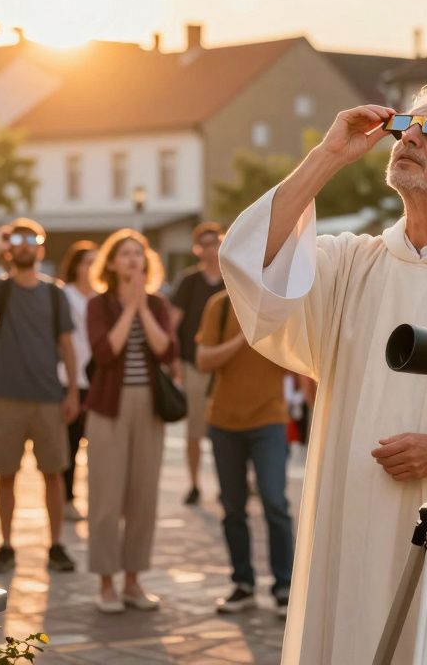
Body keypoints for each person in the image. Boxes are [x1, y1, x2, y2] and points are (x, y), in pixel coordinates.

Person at [218, 81, 427, 664]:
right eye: (406, 125)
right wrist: (328, 154)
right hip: (349, 526)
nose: (408, 137)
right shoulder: (354, 263)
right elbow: (253, 262)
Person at [0, 218, 81, 575]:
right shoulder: (2, 288)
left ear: (40, 248)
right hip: (7, 397)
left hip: (48, 396)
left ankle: (57, 545)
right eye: (18, 240)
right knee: (5, 474)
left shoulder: (54, 292)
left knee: (53, 474)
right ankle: (5, 546)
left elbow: (67, 344)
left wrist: (73, 391)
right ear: (11, 249)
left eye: (32, 239)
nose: (26, 245)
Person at [84, 229, 178, 613]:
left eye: (137, 253)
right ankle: (106, 582)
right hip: (108, 407)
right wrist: (127, 308)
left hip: (149, 408)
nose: (131, 259)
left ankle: (133, 581)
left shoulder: (157, 304)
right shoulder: (98, 305)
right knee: (106, 498)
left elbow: (167, 350)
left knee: (143, 496)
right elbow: (105, 353)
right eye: (124, 253)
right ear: (111, 262)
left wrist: (141, 307)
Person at [195, 290, 294, 618]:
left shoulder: (281, 303)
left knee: (274, 503)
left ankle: (284, 586)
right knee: (232, 507)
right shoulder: (220, 305)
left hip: (269, 421)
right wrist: (243, 338)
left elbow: (300, 360)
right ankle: (243, 583)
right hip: (224, 422)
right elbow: (204, 360)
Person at [170, 223, 226, 505]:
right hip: (195, 365)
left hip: (228, 369)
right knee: (195, 430)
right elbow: (173, 324)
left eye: (215, 242)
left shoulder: (233, 276)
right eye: (205, 243)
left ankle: (228, 483)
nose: (211, 248)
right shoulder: (189, 282)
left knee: (225, 429)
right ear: (197, 249)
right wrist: (175, 361)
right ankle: (194, 484)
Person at [57, 240, 100, 521]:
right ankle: (67, 499)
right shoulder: (64, 295)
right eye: (87, 261)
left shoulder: (103, 296)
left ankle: (97, 498)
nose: (92, 267)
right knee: (70, 442)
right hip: (68, 378)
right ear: (76, 266)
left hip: (99, 380)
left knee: (98, 444)